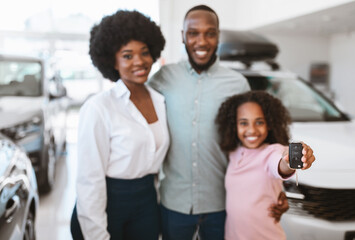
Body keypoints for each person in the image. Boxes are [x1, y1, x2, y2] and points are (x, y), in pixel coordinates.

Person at [149, 4, 315, 240]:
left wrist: (278, 190)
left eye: (210, 33)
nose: (202, 41)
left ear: (218, 35)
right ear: (183, 36)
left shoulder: (237, 83)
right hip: (174, 204)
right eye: (193, 33)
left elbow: (258, 147)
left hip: (222, 207)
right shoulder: (162, 78)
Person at [70, 10, 169, 240]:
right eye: (127, 55)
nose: (139, 61)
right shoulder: (98, 108)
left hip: (146, 202)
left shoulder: (160, 100)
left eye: (144, 53)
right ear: (111, 61)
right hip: (108, 202)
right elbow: (89, 180)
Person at [215, 91, 314, 239]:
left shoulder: (271, 152)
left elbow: (280, 164)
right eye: (243, 123)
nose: (252, 130)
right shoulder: (234, 152)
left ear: (269, 124)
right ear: (234, 126)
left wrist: (289, 160)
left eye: (259, 122)